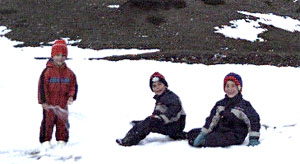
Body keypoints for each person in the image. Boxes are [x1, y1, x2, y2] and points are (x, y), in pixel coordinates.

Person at [188, 72, 260, 147]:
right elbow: (212, 119)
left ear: (239, 88)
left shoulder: (244, 105)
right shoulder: (220, 104)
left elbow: (253, 121)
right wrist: (203, 133)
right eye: (227, 86)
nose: (230, 89)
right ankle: (198, 138)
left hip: (235, 134)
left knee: (217, 139)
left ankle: (204, 142)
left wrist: (253, 138)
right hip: (220, 130)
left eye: (233, 86)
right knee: (193, 132)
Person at [116, 72, 186, 146]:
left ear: (165, 85)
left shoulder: (170, 97)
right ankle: (140, 126)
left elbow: (174, 108)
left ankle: (127, 141)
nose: (157, 87)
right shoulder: (161, 98)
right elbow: (157, 113)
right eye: (154, 86)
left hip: (175, 125)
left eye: (160, 84)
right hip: (171, 124)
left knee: (150, 122)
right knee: (148, 121)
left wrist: (160, 118)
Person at [38, 39, 78, 150]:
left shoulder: (69, 73)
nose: (60, 58)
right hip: (49, 104)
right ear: (52, 56)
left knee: (62, 123)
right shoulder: (47, 72)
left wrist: (71, 96)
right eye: (57, 55)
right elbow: (42, 88)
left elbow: (73, 86)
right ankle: (45, 141)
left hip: (62, 104)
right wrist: (43, 101)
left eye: (62, 55)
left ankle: (62, 141)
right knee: (48, 123)